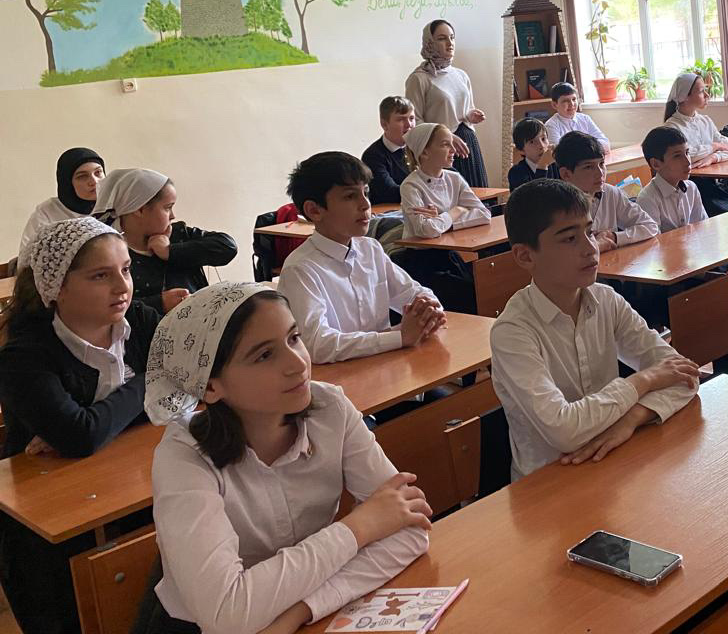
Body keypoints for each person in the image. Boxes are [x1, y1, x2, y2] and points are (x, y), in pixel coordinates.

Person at [138, 283, 431, 634]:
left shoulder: (330, 407)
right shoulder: (184, 456)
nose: (298, 363)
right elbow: (226, 615)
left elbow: (411, 531)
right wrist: (360, 527)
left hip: (301, 617)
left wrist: (300, 611)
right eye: (264, 355)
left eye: (293, 338)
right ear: (210, 387)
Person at [0, 218, 161, 634]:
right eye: (100, 276)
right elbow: (81, 436)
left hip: (129, 491)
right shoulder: (25, 355)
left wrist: (99, 419)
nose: (122, 286)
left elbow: (185, 387)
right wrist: (149, 383)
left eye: (126, 269)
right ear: (58, 287)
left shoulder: (139, 322)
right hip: (48, 528)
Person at [489, 179, 700, 480]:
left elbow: (685, 375)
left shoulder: (605, 299)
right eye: (569, 239)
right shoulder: (512, 331)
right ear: (525, 256)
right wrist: (645, 379)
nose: (590, 248)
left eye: (589, 232)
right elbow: (565, 431)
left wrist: (632, 419)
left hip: (612, 463)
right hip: (549, 484)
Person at [277, 152, 445, 364]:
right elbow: (316, 345)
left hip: (385, 366)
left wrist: (429, 309)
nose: (365, 204)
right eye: (350, 196)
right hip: (341, 379)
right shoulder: (300, 269)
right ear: (314, 210)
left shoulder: (370, 249)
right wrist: (399, 336)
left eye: (366, 192)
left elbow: (414, 293)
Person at [93, 169, 237, 314]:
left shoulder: (179, 234)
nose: (173, 216)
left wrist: (171, 251)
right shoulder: (111, 252)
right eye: (168, 208)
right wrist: (159, 303)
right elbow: (106, 305)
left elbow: (228, 246)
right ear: (140, 210)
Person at [398, 123, 491, 315]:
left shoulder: (454, 178)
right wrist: (455, 211)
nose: (453, 150)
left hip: (449, 255)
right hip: (423, 262)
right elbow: (426, 230)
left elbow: (483, 214)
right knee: (469, 295)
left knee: (483, 288)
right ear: (424, 152)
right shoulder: (411, 186)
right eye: (445, 144)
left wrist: (442, 220)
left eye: (451, 144)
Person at [404, 19, 488, 188]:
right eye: (442, 38)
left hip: (467, 144)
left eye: (452, 37)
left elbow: (465, 110)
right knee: (452, 197)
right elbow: (414, 123)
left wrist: (471, 115)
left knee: (479, 195)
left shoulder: (460, 75)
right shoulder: (419, 78)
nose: (450, 43)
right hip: (441, 148)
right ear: (429, 42)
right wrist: (447, 137)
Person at [555, 131, 658, 251]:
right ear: (566, 174)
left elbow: (650, 226)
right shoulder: (555, 207)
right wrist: (597, 245)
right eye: (588, 167)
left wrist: (613, 237)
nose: (600, 173)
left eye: (601, 164)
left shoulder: (611, 193)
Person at [664, 72, 728, 215]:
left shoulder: (706, 121)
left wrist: (713, 157)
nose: (707, 95)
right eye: (701, 91)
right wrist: (714, 147)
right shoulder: (672, 127)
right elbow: (688, 156)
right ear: (685, 96)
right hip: (692, 188)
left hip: (715, 186)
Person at [18, 147, 106, 257]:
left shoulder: (116, 205)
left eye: (98, 172)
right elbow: (27, 259)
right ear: (67, 183)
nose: (94, 181)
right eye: (82, 176)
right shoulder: (47, 213)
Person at [635, 126, 708, 233]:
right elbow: (654, 241)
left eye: (687, 153)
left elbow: (702, 227)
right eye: (677, 156)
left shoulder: (691, 188)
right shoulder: (647, 199)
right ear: (656, 164)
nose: (688, 162)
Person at [360, 96, 416, 204]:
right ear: (384, 124)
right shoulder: (373, 155)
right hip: (390, 211)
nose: (409, 124)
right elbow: (390, 193)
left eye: (412, 118)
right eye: (401, 119)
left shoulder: (420, 148)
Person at [544, 82, 610, 153]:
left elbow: (605, 144)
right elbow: (559, 152)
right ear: (554, 105)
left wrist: (581, 148)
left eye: (574, 99)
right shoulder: (551, 125)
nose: (572, 104)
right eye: (565, 101)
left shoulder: (585, 118)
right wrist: (591, 147)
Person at [508, 117, 554, 191]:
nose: (541, 146)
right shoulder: (516, 172)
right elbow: (535, 195)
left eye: (543, 139)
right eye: (532, 142)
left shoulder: (554, 165)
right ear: (521, 150)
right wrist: (542, 166)